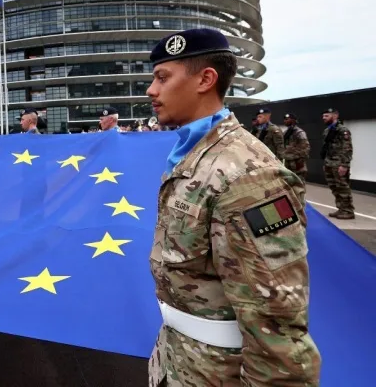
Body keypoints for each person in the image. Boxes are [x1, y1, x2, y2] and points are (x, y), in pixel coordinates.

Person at [145, 28, 320, 386]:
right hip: (179, 361)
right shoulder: (194, 154)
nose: (152, 90)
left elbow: (277, 323)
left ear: (205, 80)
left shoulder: (249, 175)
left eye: (163, 77)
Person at [321, 108, 355, 219]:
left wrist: (344, 164)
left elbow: (347, 148)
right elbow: (327, 148)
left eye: (326, 116)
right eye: (323, 116)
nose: (324, 118)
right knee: (334, 187)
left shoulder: (342, 130)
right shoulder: (327, 131)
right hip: (329, 163)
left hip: (339, 163)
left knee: (343, 187)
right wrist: (325, 163)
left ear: (335, 115)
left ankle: (348, 211)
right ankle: (341, 208)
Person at [283, 113, 311, 182]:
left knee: (299, 183)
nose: (285, 121)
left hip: (297, 163)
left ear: (293, 120)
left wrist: (299, 161)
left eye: (287, 119)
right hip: (288, 163)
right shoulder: (286, 132)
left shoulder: (299, 132)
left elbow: (306, 148)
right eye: (284, 119)